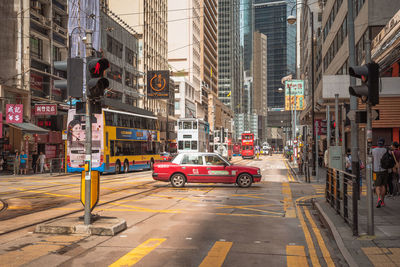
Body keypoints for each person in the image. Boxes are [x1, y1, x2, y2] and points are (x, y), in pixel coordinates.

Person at [372, 138, 389, 208]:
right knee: (383, 185)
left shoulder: (373, 150)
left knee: (377, 185)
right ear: (383, 143)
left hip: (376, 170)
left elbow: (371, 160)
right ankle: (382, 201)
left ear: (377, 143)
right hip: (384, 170)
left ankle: (378, 198)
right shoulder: (386, 150)